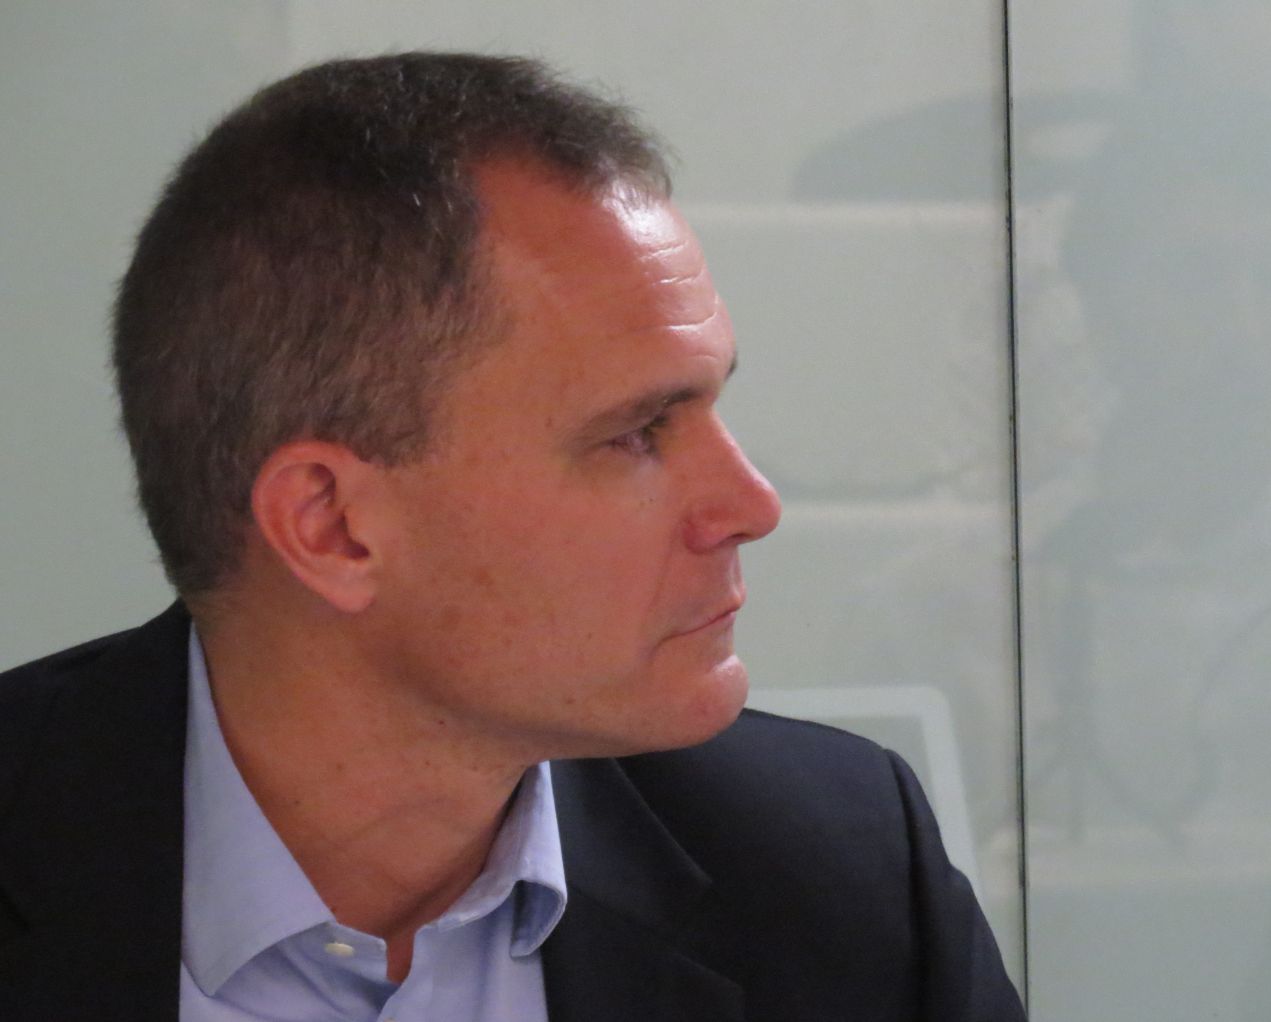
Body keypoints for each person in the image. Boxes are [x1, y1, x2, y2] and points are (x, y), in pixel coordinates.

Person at [0, 52, 1022, 1021]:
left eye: (712, 405)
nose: (750, 504)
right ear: (334, 526)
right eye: (636, 433)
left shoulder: (835, 875)